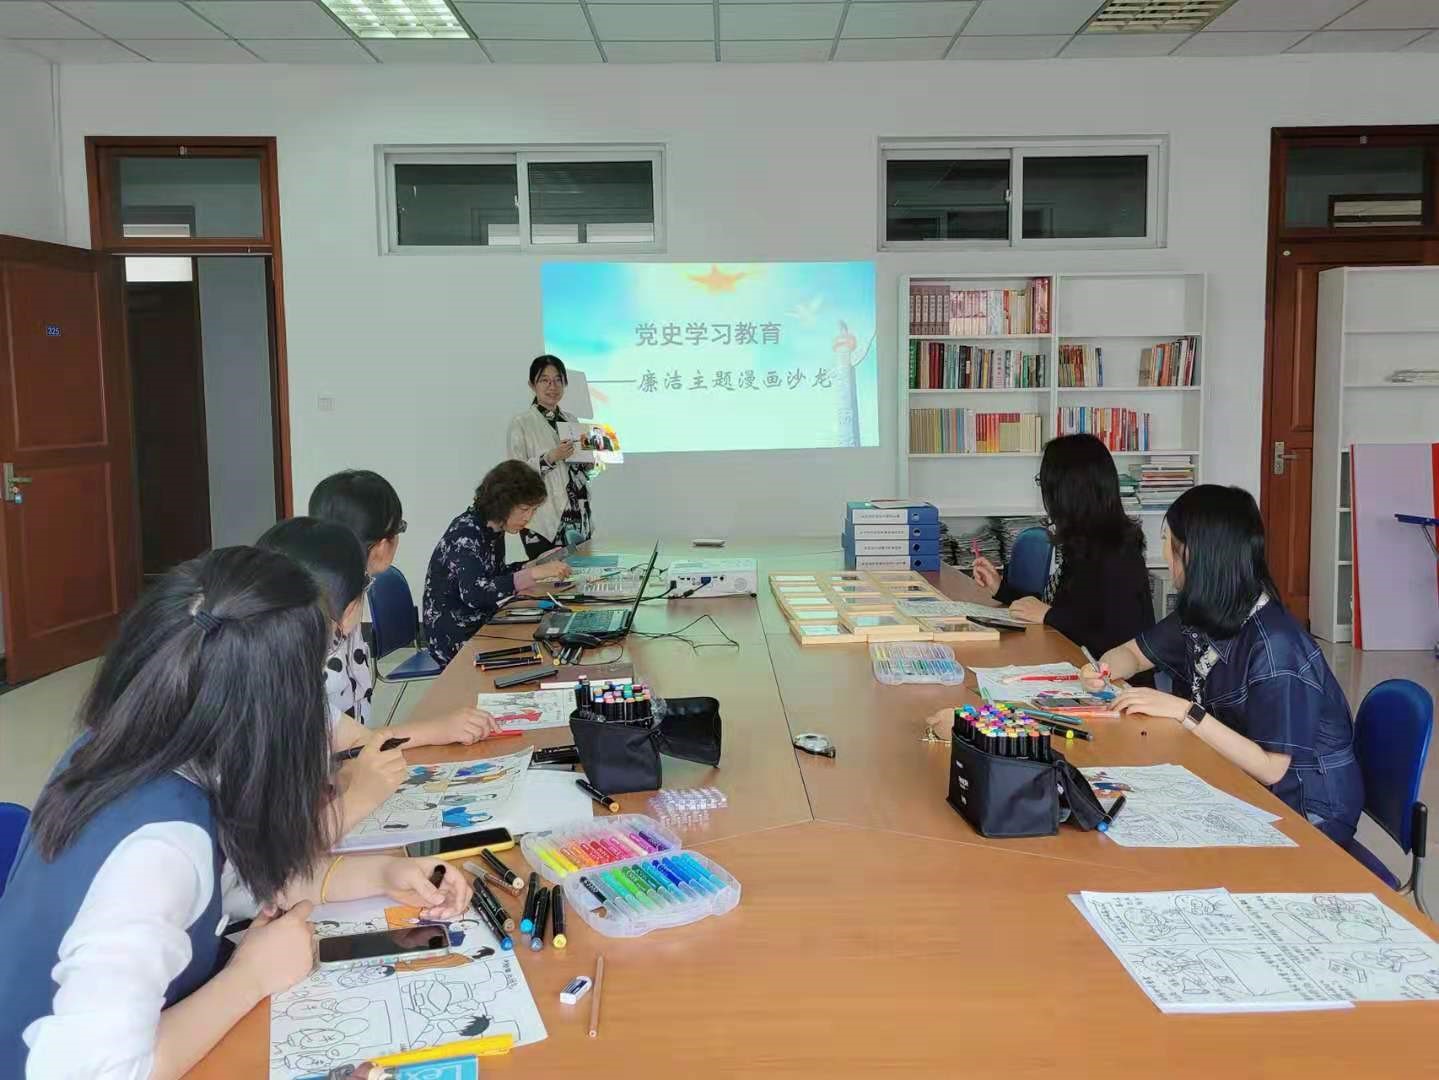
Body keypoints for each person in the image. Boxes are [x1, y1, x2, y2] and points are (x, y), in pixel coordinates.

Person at [0, 547, 471, 1079]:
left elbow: (238, 880)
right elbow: (95, 1072)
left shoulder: (144, 747)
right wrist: (250, 977)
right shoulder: (157, 849)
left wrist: (384, 874)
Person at [1080, 484, 1365, 845]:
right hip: (1238, 779)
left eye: (1168, 541)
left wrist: (1185, 712)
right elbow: (1134, 653)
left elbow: (1271, 768)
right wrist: (1104, 668)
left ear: (1195, 553)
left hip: (1307, 809)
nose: (1164, 552)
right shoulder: (1206, 610)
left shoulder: (1276, 646)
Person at [256, 518, 499, 826]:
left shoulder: (283, 681)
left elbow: (359, 742)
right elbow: (277, 844)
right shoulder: (263, 708)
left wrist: (441, 728)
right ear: (348, 612)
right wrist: (360, 798)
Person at [307, 469, 497, 743]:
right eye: (400, 528)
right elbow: (333, 744)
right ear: (382, 545)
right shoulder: (326, 623)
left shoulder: (327, 595)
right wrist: (436, 730)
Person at [971, 433, 1154, 658]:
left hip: (1110, 674)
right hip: (1075, 661)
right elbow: (1060, 609)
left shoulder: (1118, 554)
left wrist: (1049, 616)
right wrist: (1001, 589)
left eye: (1045, 484)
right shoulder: (1082, 541)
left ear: (1067, 492)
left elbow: (1115, 636)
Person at [423, 461, 570, 667]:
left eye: (533, 510)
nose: (528, 517)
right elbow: (475, 594)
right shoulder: (466, 534)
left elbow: (495, 575)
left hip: (478, 622)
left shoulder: (493, 528)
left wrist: (532, 565)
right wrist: (534, 573)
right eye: (524, 509)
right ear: (503, 504)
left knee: (542, 639)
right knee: (538, 651)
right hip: (454, 637)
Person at [506, 355, 593, 558]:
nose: (552, 386)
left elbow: (584, 472)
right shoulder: (521, 423)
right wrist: (550, 457)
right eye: (544, 380)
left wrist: (589, 462)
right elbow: (514, 475)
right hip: (543, 518)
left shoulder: (572, 420)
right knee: (548, 574)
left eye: (557, 380)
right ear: (532, 385)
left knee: (580, 572)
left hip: (578, 513)